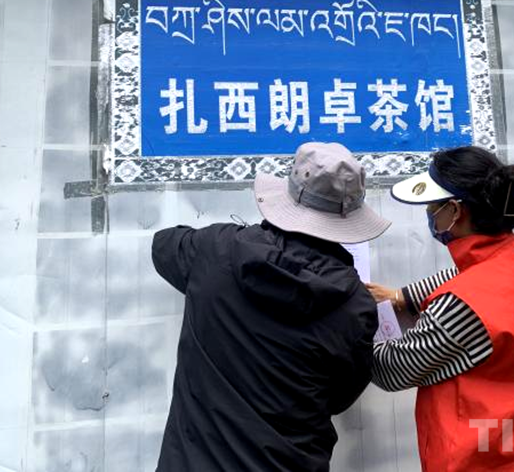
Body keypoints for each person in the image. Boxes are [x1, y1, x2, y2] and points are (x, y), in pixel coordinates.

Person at [152, 142, 390, 472]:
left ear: (287, 195)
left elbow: (164, 244)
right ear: (348, 216)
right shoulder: (354, 307)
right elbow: (339, 397)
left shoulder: (216, 250)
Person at [367, 145, 514, 471]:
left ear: (454, 212)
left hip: (493, 461)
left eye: (432, 206)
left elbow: (392, 369)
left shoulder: (459, 308)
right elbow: (472, 275)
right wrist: (403, 296)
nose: (429, 213)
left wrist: (350, 323)